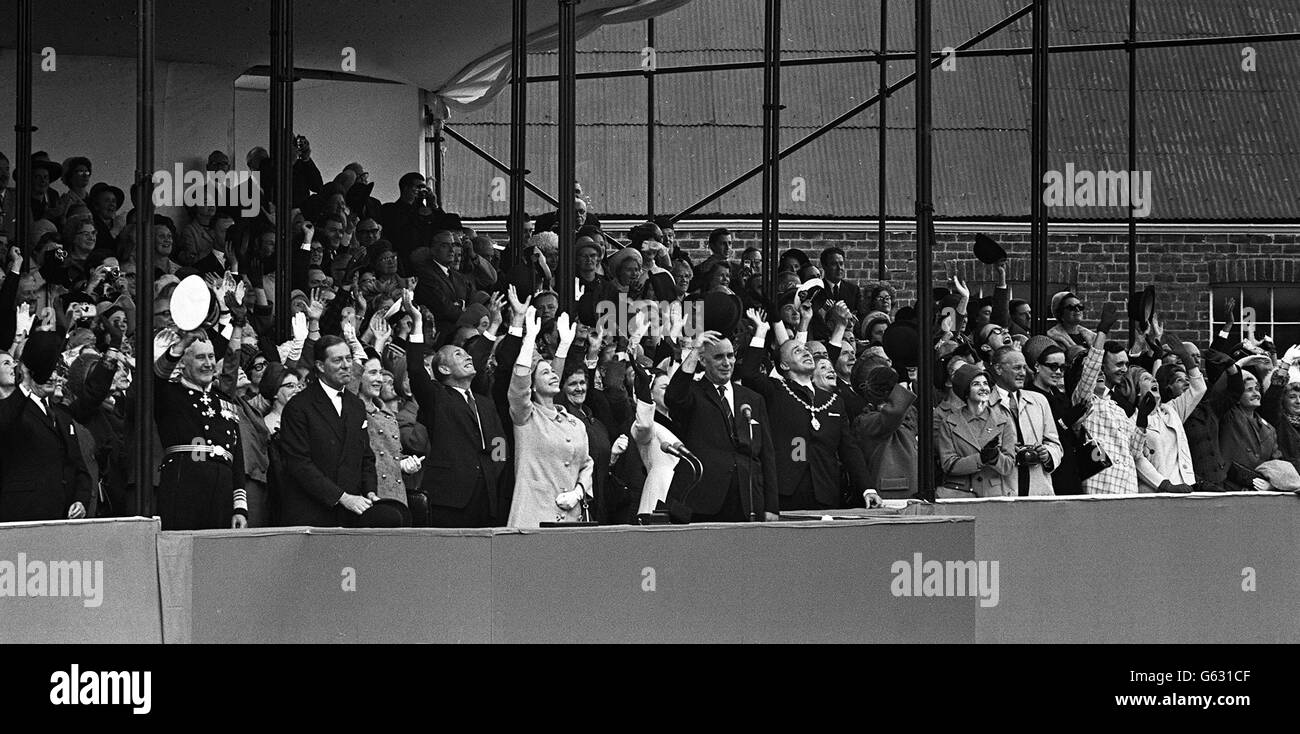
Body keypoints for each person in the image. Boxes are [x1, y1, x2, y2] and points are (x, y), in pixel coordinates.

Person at [740, 308, 869, 511]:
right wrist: (761, 332)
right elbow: (748, 375)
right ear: (783, 365)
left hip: (827, 493)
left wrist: (867, 488)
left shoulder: (833, 400)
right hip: (785, 493)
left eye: (806, 350)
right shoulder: (775, 390)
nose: (806, 353)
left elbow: (848, 449)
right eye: (797, 351)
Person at [664, 330, 779, 522]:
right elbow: (673, 397)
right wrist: (695, 350)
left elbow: (767, 454)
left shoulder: (753, 399)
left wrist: (771, 506)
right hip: (704, 499)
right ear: (703, 361)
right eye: (718, 357)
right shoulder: (693, 393)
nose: (726, 363)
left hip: (748, 499)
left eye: (730, 356)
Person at [276, 335, 391, 527]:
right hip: (312, 515)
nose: (347, 365)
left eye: (348, 358)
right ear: (320, 366)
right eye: (338, 360)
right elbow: (299, 464)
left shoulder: (356, 405)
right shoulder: (299, 406)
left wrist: (370, 491)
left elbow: (366, 456)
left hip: (352, 515)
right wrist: (342, 497)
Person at [407, 318, 508, 528]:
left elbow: (499, 440)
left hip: (488, 497)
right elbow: (416, 371)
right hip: (449, 499)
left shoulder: (485, 403)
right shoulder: (437, 397)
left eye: (467, 354)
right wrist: (417, 322)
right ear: (443, 369)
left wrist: (494, 468)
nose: (468, 356)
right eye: (458, 354)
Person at [152, 330, 248, 530]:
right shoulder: (169, 393)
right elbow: (155, 377)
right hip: (183, 487)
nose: (208, 364)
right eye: (200, 357)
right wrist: (181, 345)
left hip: (222, 493)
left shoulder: (223, 400)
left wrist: (239, 508)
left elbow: (236, 457)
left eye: (211, 356)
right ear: (183, 363)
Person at [506, 307, 593, 527]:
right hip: (533, 518)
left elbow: (587, 464)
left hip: (571, 519)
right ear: (533, 386)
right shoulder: (526, 416)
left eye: (554, 373)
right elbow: (518, 385)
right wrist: (529, 340)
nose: (554, 375)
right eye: (546, 373)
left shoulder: (574, 424)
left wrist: (579, 491)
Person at [0, 331, 93, 522]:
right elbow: (4, 421)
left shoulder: (62, 414)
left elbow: (78, 466)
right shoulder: (13, 408)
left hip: (63, 520)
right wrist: (25, 384)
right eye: (46, 370)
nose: (52, 377)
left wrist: (80, 500)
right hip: (24, 517)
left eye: (55, 371)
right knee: (23, 555)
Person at [988, 346, 1062, 496]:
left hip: (1038, 489)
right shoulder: (985, 403)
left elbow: (1055, 444)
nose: (1023, 373)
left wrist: (1046, 454)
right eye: (1017, 368)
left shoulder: (1039, 401)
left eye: (1024, 368)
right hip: (1002, 489)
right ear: (998, 368)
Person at [935, 363, 1017, 497]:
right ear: (965, 390)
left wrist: (995, 457)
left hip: (993, 495)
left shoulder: (1003, 421)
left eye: (985, 383)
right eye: (976, 384)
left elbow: (1008, 466)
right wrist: (980, 459)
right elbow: (948, 464)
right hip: (960, 495)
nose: (984, 388)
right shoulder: (949, 423)